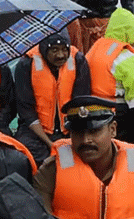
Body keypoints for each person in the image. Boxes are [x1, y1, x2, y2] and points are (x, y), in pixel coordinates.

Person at [14, 33, 91, 166]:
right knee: (24, 158)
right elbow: (26, 110)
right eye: (54, 50)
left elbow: (81, 101)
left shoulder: (78, 59)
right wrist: (50, 143)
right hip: (36, 131)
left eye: (64, 49)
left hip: (70, 128)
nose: (60, 55)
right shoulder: (26, 63)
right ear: (44, 49)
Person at [85, 8, 134, 144]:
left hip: (91, 111)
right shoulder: (126, 56)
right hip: (117, 114)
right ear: (129, 32)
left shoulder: (95, 48)